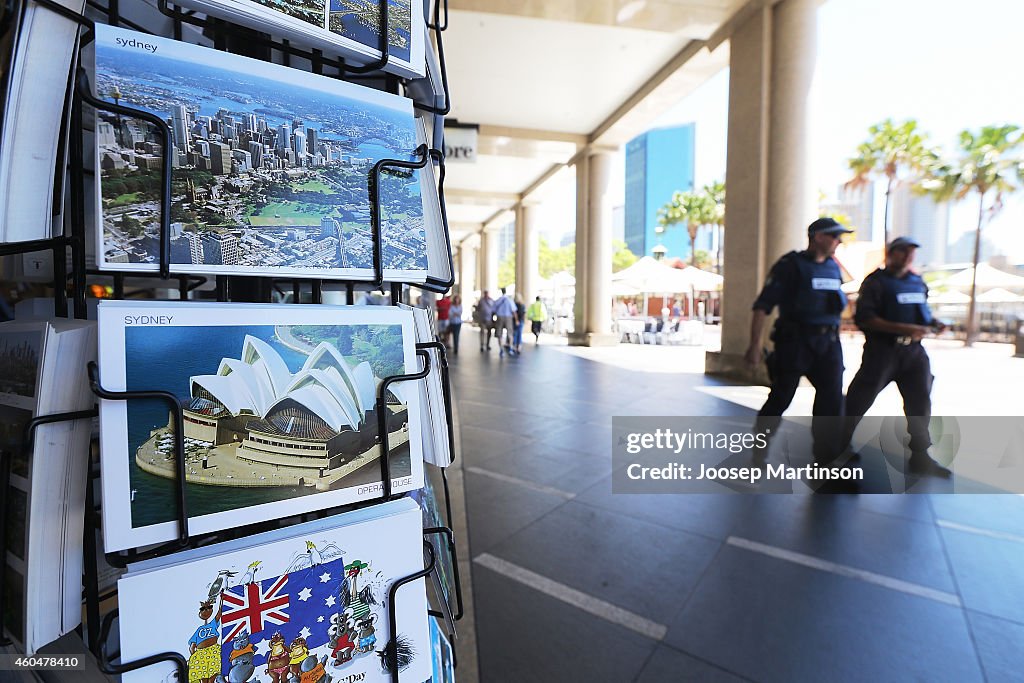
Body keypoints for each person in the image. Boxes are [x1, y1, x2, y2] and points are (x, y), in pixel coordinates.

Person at [744, 217, 853, 465]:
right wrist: (754, 346)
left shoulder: (834, 267)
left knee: (831, 402)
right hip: (795, 343)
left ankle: (826, 463)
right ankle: (758, 451)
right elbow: (762, 307)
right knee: (781, 398)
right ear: (818, 237)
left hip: (828, 345)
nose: (839, 241)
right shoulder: (789, 265)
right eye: (835, 236)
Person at [840, 237, 950, 476]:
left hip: (914, 354)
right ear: (890, 254)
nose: (908, 257)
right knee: (859, 400)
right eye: (903, 253)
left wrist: (934, 323)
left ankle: (920, 456)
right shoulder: (876, 282)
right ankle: (838, 448)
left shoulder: (917, 282)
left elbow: (923, 315)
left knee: (920, 403)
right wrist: (904, 329)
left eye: (911, 253)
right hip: (882, 352)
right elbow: (865, 319)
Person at [492, 287, 518, 356]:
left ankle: (501, 349)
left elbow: (493, 309)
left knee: (499, 334)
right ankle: (510, 348)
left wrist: (493, 319)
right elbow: (514, 311)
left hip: (500, 317)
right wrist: (516, 320)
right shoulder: (509, 300)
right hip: (508, 317)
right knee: (510, 333)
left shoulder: (499, 300)